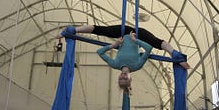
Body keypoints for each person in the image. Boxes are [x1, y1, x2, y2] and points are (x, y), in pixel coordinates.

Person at [57, 24, 190, 69]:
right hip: (136, 36)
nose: (123, 76)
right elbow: (149, 49)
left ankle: (74, 29)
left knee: (102, 30)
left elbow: (100, 52)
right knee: (156, 42)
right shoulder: (136, 66)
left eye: (121, 78)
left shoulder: (115, 65)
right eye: (125, 79)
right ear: (129, 78)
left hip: (122, 36)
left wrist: (115, 44)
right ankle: (176, 54)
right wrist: (135, 40)